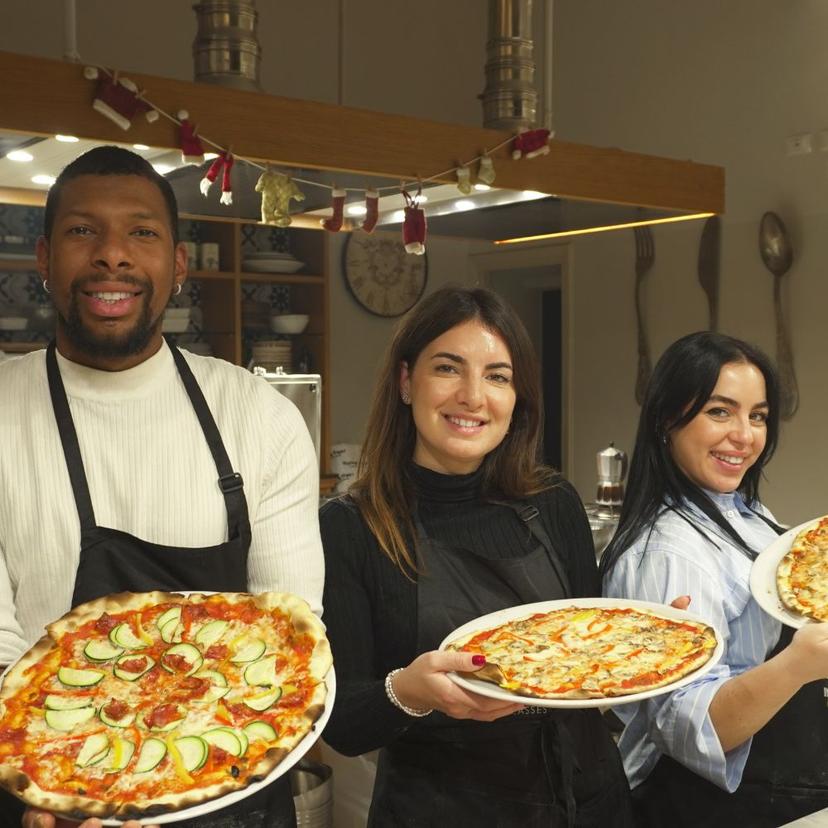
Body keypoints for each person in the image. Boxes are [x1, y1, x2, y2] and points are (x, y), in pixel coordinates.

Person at [0, 146, 323, 828]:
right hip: (54, 795)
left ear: (178, 265)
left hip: (235, 788)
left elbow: (291, 634)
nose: (112, 255)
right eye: (83, 230)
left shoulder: (261, 417)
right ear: (44, 259)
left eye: (141, 232)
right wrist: (56, 772)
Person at [319, 286, 634, 827]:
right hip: (444, 810)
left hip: (589, 801)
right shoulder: (351, 526)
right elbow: (342, 723)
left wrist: (644, 639)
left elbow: (588, 658)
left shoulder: (554, 503)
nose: (473, 396)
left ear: (517, 398)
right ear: (404, 381)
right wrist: (407, 692)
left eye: (497, 376)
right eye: (448, 368)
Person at [601, 331, 828, 827]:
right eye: (719, 411)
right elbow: (692, 727)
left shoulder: (743, 511)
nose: (744, 435)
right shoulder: (668, 552)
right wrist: (801, 662)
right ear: (667, 419)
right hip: (713, 808)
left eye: (758, 415)